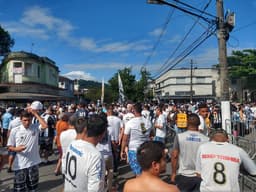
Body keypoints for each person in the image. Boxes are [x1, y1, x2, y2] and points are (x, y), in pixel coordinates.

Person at [64, 115, 107, 192]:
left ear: (85, 129)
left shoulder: (72, 144)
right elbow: (95, 189)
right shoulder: (95, 156)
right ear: (103, 134)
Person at [7, 109, 47, 192]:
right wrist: (16, 149)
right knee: (19, 189)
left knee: (33, 188)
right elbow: (9, 146)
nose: (27, 122)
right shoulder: (15, 130)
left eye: (29, 120)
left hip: (33, 163)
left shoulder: (35, 127)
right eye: (25, 120)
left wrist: (35, 114)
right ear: (20, 119)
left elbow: (44, 126)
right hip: (20, 165)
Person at [171, 113, 209, 192]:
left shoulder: (179, 137)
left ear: (187, 123)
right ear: (199, 124)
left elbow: (175, 155)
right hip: (200, 175)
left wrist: (174, 173)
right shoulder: (206, 139)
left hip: (184, 174)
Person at [121, 103, 152, 176]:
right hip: (146, 150)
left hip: (134, 150)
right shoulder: (148, 122)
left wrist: (122, 151)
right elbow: (152, 134)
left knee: (138, 173)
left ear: (133, 111)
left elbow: (125, 139)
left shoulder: (130, 123)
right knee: (145, 172)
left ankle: (140, 186)